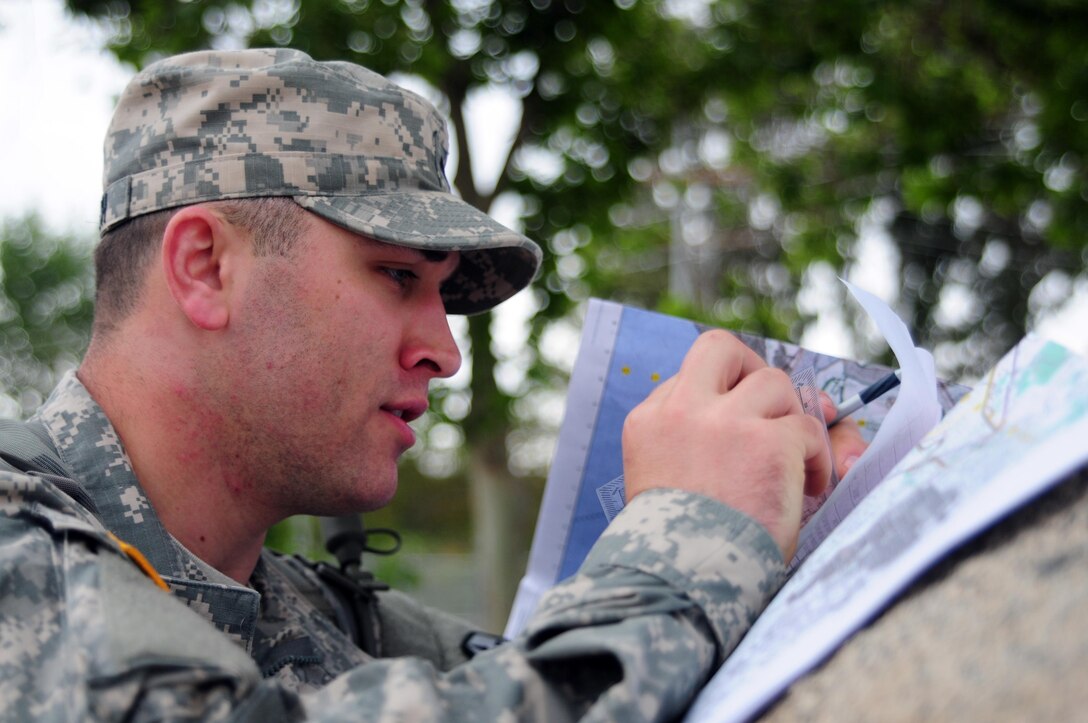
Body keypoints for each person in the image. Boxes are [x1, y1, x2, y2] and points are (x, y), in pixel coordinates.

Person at [0, 48, 866, 721]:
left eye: (443, 293)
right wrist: (691, 541)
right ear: (204, 266)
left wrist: (795, 520)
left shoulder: (315, 614)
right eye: (395, 277)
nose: (444, 353)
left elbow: (562, 674)